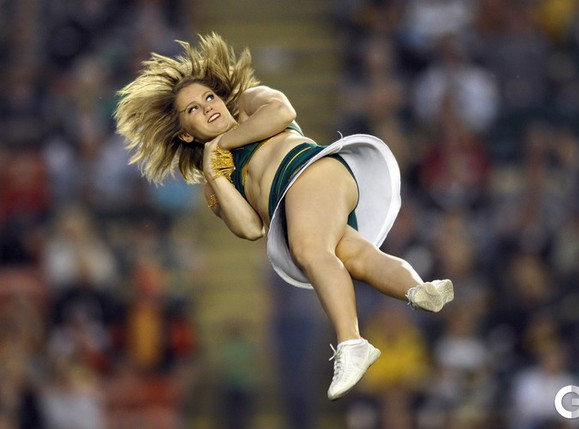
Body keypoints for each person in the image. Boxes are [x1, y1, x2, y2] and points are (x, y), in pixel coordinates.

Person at [114, 33, 454, 400]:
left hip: (312, 171)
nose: (208, 107)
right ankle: (419, 289)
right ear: (184, 134)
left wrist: (224, 142)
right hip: (308, 205)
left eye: (209, 97)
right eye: (193, 109)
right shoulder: (215, 181)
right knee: (356, 256)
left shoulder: (247, 102)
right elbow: (249, 228)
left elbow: (283, 112)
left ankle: (352, 343)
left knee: (308, 250)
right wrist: (214, 172)